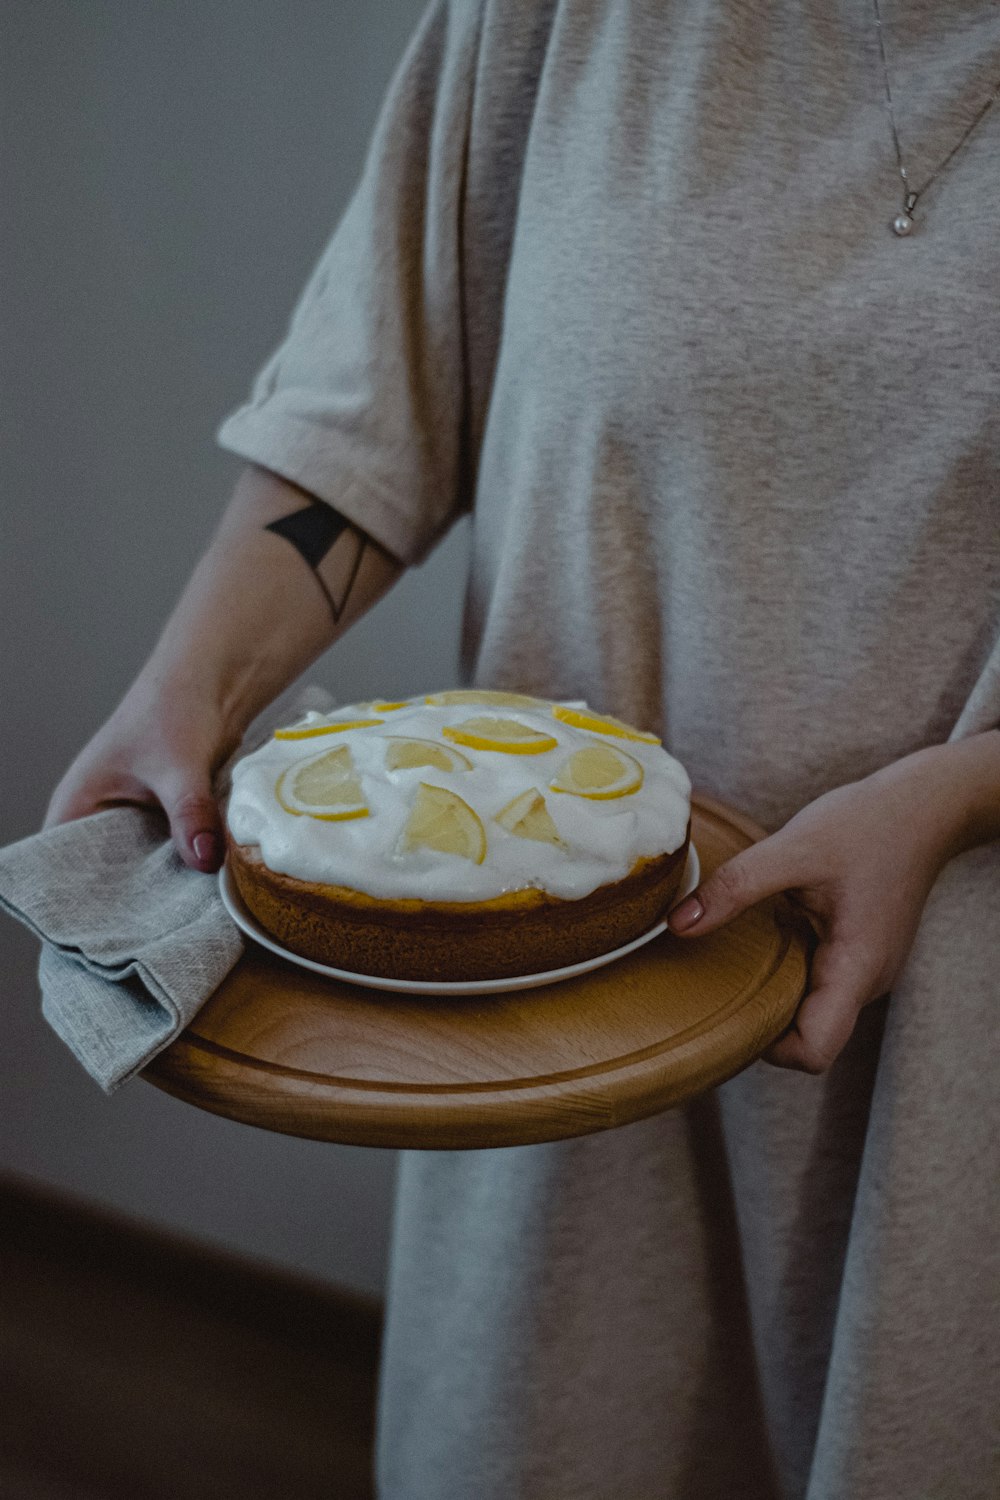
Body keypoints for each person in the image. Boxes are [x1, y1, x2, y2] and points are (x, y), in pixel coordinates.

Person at [45, 2, 1000, 1496]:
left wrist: (959, 791)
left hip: (962, 1064)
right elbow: (376, 408)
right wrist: (190, 681)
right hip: (557, 1016)